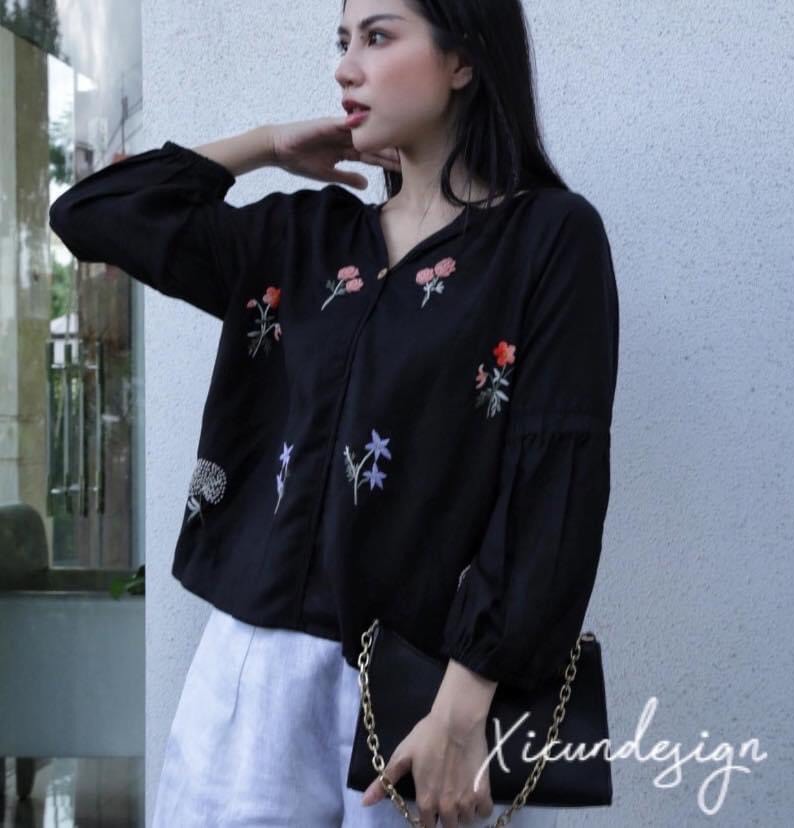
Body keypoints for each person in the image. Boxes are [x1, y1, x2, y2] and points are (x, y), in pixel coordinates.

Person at [49, 0, 619, 825]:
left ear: (464, 59)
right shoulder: (302, 238)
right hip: (251, 677)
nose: (346, 67)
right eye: (343, 41)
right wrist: (267, 145)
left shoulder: (547, 240)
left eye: (378, 37)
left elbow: (555, 483)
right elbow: (92, 213)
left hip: (425, 691)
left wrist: (464, 707)